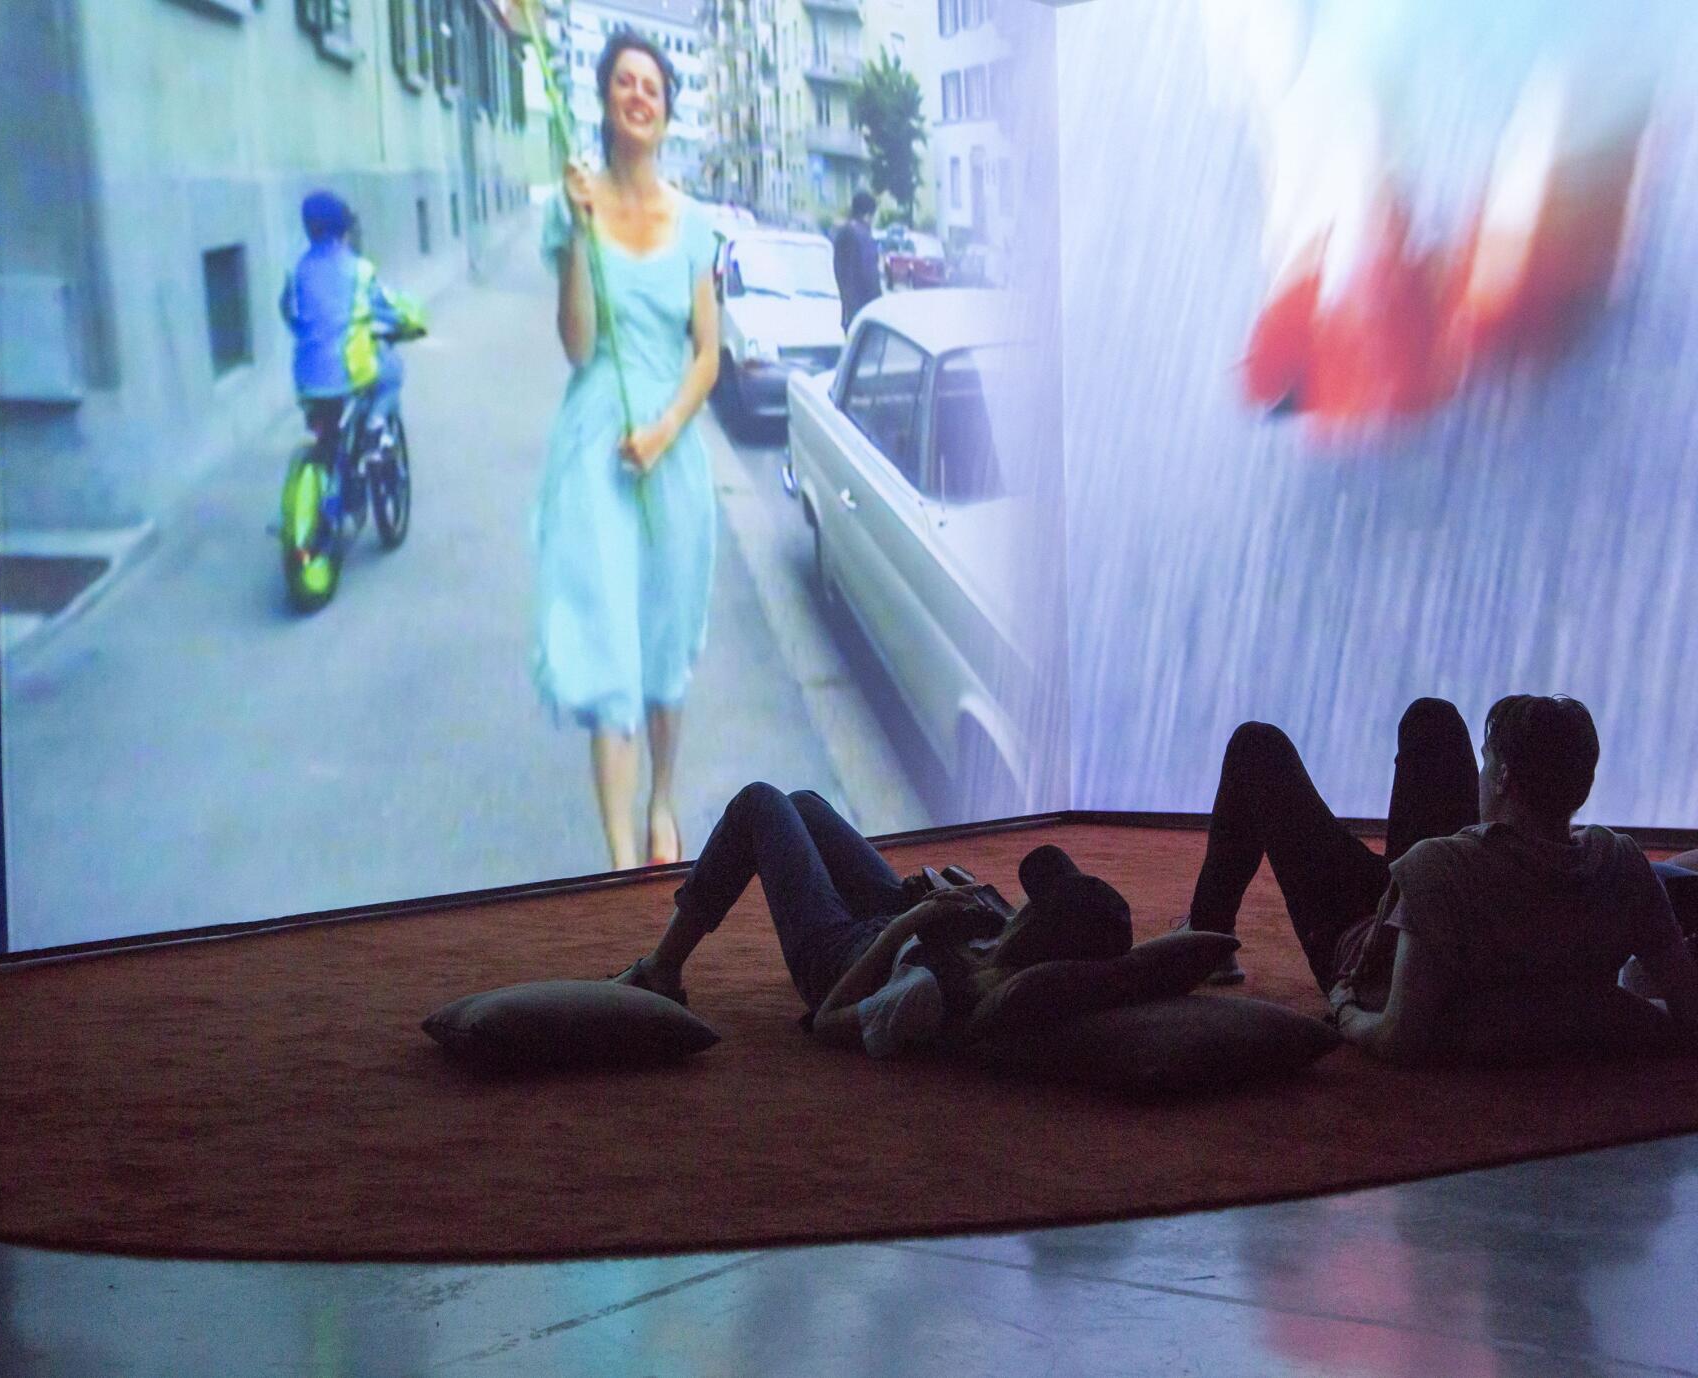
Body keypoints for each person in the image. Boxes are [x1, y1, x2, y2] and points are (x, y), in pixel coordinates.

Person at [1177, 695, 1698, 1063]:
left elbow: (1398, 1037)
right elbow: (1685, 1005)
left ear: (1501, 777)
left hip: (1365, 929)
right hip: (1452, 892)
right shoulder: (1619, 860)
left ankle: (1208, 934)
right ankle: (1208, 932)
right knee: (1434, 717)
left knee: (1256, 746)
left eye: (1487, 762)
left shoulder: (1439, 868)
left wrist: (1343, 1010)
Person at [535, 31, 721, 871]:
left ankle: (662, 798)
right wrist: (579, 234)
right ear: (606, 101)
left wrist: (665, 431)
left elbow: (707, 355)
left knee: (664, 640)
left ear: (667, 107)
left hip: (669, 452)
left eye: (651, 84)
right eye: (623, 82)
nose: (638, 94)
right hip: (594, 455)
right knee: (611, 646)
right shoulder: (572, 202)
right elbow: (576, 344)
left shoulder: (695, 225)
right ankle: (617, 871)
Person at [611, 783, 1132, 1058]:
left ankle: (663, 968)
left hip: (839, 959)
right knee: (805, 804)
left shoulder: (932, 992)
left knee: (760, 803)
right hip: (899, 925)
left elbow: (828, 1020)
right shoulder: (1014, 953)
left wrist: (907, 926)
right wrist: (947, 903)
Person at [280, 191, 417, 458]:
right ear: (345, 230)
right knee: (392, 371)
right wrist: (410, 322)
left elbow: (289, 312)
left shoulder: (296, 270)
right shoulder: (359, 269)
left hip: (306, 379)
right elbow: (387, 308)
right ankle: (376, 426)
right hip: (349, 374)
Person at [832, 190, 882, 332]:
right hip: (863, 310)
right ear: (868, 215)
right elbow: (869, 274)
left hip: (848, 308)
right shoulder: (863, 236)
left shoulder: (842, 232)